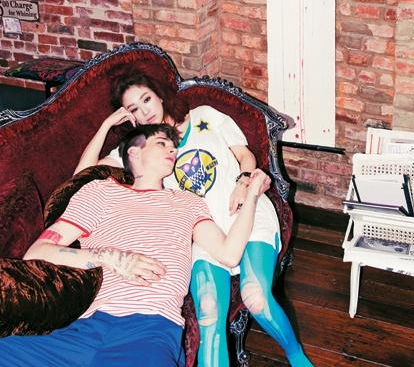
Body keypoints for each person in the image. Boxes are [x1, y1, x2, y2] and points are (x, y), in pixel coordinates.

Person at [75, 70, 314, 367]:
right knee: (209, 313)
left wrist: (243, 182)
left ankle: (297, 357)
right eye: (133, 108)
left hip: (245, 213)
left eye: (146, 99)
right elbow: (81, 178)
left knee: (256, 297)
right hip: (204, 232)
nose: (144, 111)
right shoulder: (140, 149)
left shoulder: (204, 116)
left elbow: (245, 156)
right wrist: (106, 125)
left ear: (160, 96)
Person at [0, 123, 271, 367]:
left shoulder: (188, 202)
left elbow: (229, 254)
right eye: (161, 143)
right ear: (134, 152)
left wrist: (252, 195)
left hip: (148, 329)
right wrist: (111, 257)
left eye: (173, 146)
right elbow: (37, 252)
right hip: (83, 330)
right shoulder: (100, 191)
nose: (172, 150)